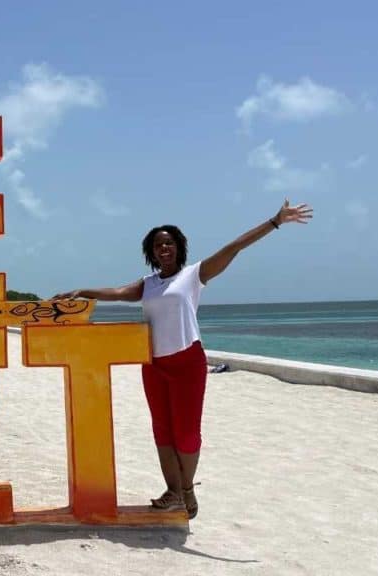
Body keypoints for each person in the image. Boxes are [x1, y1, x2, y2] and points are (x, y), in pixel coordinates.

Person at [54, 199, 313, 519]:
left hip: (187, 363)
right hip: (153, 365)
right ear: (152, 252)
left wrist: (275, 221)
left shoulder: (194, 276)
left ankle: (187, 489)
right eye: (158, 244)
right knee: (162, 431)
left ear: (179, 247)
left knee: (187, 432)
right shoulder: (147, 285)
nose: (164, 247)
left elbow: (234, 248)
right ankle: (173, 491)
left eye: (169, 243)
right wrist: (82, 292)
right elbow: (118, 292)